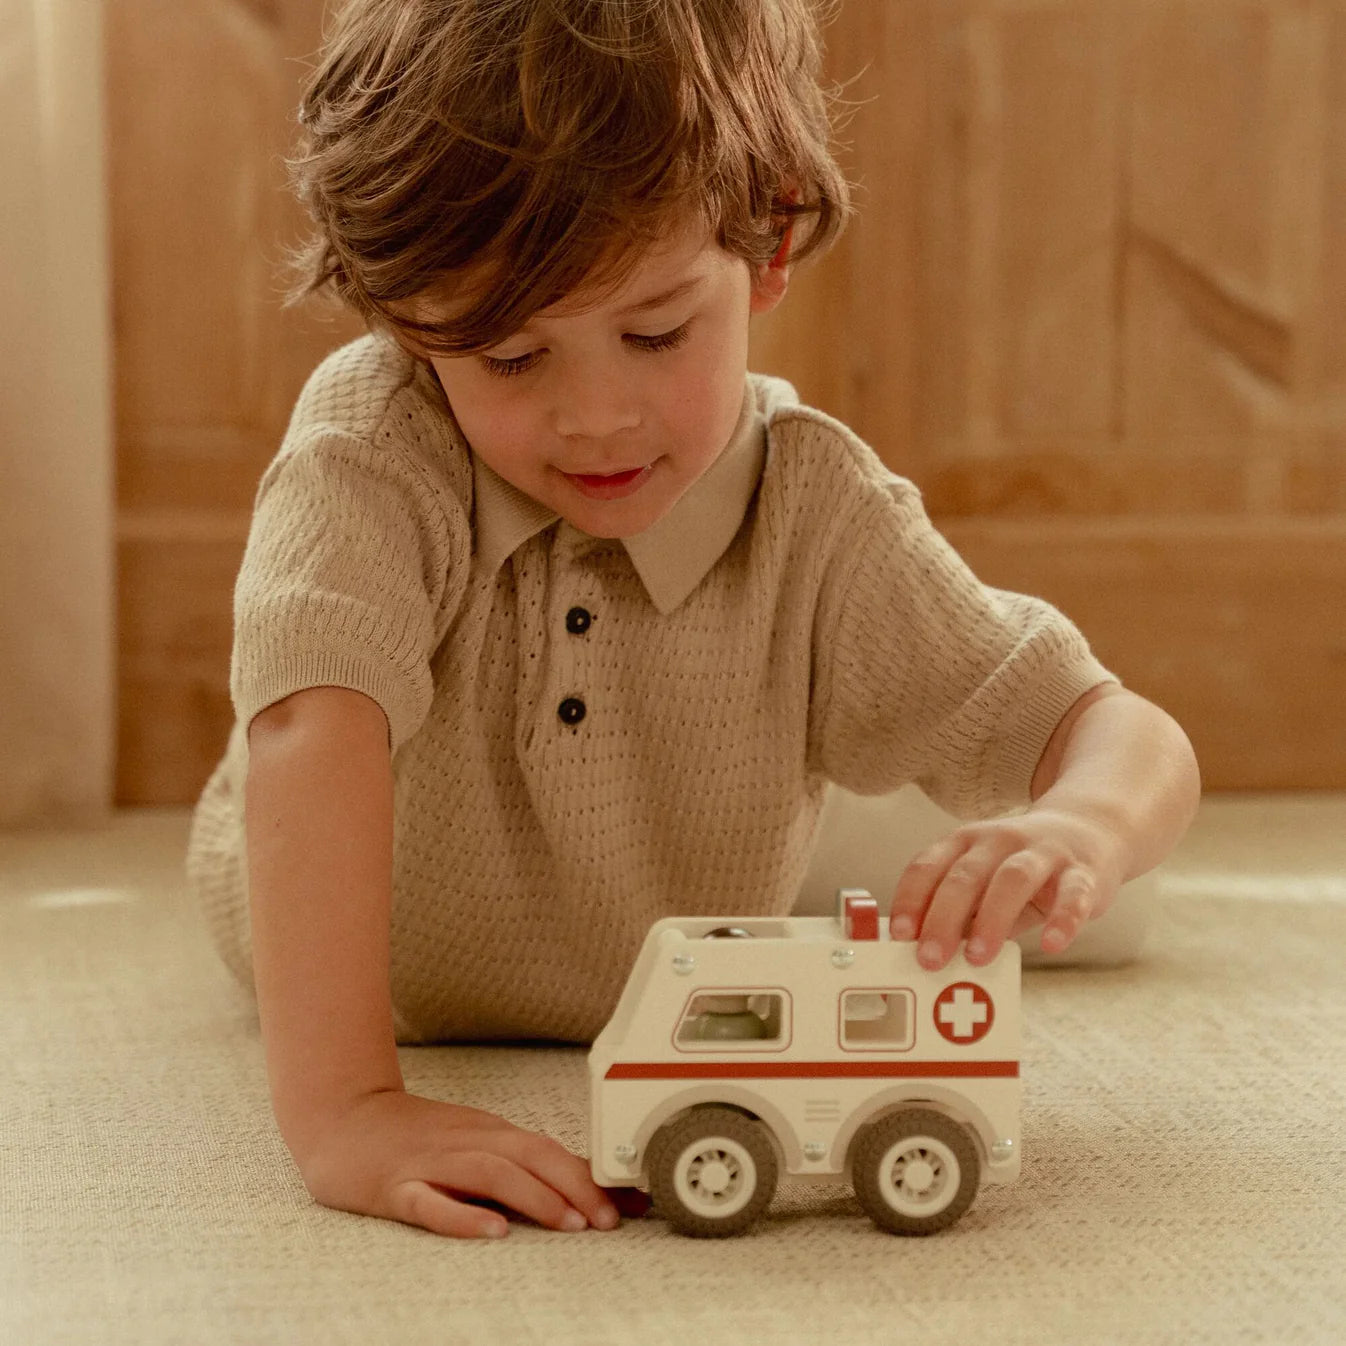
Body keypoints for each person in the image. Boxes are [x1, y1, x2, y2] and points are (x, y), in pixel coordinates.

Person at [187, 0, 1200, 1242]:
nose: (596, 417)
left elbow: (1114, 725)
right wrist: (346, 1102)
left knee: (1074, 880)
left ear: (767, 242)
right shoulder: (369, 440)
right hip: (369, 917)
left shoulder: (816, 506)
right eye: (511, 358)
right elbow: (309, 722)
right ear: (403, 316)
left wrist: (1081, 821)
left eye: (655, 331)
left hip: (678, 899)